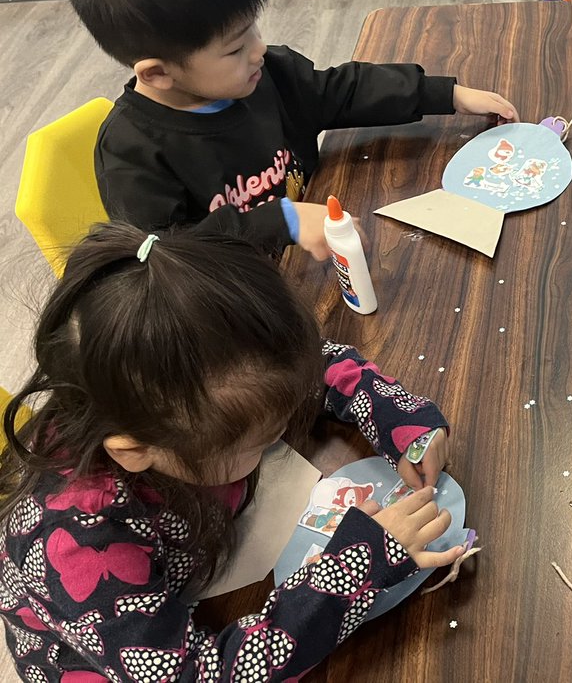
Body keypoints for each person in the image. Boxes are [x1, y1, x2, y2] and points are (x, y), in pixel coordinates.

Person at [0, 223, 462, 679]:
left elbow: (313, 366)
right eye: (260, 443)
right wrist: (358, 562)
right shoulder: (79, 544)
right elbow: (203, 675)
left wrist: (398, 416)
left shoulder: (192, 396)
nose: (276, 438)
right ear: (136, 451)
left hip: (197, 549)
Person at [64, 0, 518, 259]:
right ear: (158, 73)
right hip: (242, 305)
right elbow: (164, 255)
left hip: (312, 250)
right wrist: (282, 222)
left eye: (253, 29)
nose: (259, 50)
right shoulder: (133, 151)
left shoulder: (267, 74)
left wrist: (447, 93)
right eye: (236, 48)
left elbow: (341, 90)